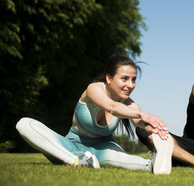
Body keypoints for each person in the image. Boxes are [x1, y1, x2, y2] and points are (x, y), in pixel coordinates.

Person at [16, 55, 174, 174]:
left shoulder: (131, 105)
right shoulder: (94, 89)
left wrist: (152, 126)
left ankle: (153, 164)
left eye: (133, 80)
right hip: (70, 145)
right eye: (124, 79)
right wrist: (141, 114)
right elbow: (111, 106)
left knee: (119, 158)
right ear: (109, 78)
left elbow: (137, 119)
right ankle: (76, 161)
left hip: (102, 149)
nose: (130, 85)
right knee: (24, 124)